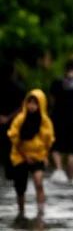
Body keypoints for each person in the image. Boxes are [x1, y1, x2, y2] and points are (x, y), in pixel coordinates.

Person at [7, 89, 54, 222]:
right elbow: (13, 137)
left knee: (39, 182)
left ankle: (40, 212)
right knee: (20, 188)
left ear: (41, 105)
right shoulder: (20, 119)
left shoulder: (45, 122)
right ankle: (21, 212)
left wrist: (45, 157)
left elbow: (49, 141)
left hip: (38, 156)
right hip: (20, 156)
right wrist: (25, 156)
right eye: (30, 102)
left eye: (35, 103)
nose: (32, 106)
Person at [1, 60, 26, 190]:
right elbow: (23, 107)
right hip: (14, 123)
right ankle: (11, 177)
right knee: (12, 149)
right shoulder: (19, 87)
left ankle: (8, 177)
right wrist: (8, 117)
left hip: (6, 123)